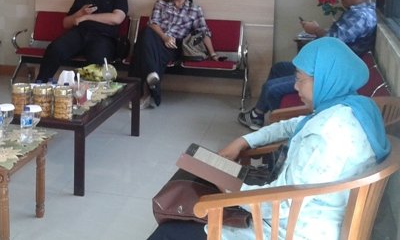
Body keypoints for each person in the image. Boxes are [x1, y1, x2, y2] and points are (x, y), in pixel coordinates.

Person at [148, 37, 390, 240]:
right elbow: (293, 125)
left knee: (169, 232)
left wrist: (229, 188)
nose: (295, 87)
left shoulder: (324, 137)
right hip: (317, 215)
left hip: (293, 230)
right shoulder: (353, 107)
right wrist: (244, 141)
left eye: (300, 79)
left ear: (326, 78)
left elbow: (280, 205)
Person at [238, 0, 377, 130]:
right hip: (325, 68)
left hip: (327, 76)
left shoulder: (361, 16)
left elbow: (333, 41)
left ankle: (276, 124)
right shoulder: (360, 12)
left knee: (271, 88)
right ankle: (259, 114)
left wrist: (316, 30)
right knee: (278, 68)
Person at [129, 0, 219, 109]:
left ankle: (146, 92)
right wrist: (164, 37)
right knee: (147, 32)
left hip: (174, 46)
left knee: (144, 50)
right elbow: (153, 23)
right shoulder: (161, 4)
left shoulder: (194, 9)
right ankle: (151, 79)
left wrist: (213, 54)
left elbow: (203, 32)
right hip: (158, 39)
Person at [35, 0, 128, 82]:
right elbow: (66, 23)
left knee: (97, 61)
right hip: (79, 34)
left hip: (104, 37)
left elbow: (117, 18)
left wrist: (87, 17)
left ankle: (90, 91)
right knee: (55, 48)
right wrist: (80, 13)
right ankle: (40, 84)